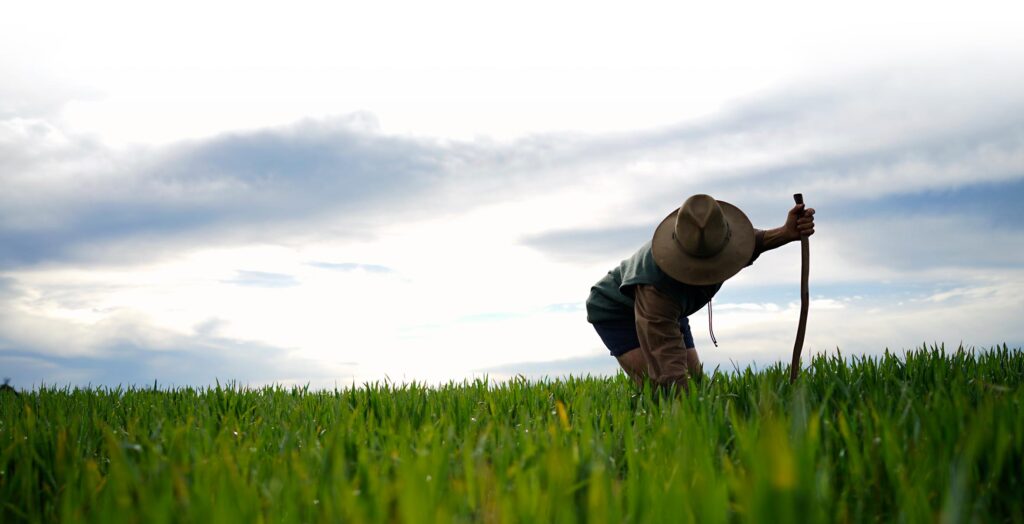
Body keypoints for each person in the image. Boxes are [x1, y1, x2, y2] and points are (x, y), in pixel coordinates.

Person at [586, 194, 816, 392]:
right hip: (617, 312)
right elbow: (669, 369)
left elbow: (752, 242)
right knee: (662, 388)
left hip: (675, 308)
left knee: (696, 383)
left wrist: (786, 232)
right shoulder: (656, 289)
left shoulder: (717, 238)